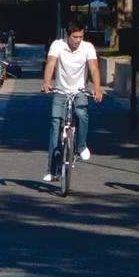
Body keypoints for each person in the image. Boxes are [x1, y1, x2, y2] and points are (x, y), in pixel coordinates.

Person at [41, 20, 105, 182]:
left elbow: (94, 68)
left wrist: (97, 88)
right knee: (56, 126)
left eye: (81, 37)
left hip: (79, 90)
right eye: (75, 37)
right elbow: (51, 64)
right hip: (61, 90)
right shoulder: (57, 45)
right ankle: (52, 169)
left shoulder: (87, 47)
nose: (78, 40)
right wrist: (47, 83)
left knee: (81, 113)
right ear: (67, 35)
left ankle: (81, 145)